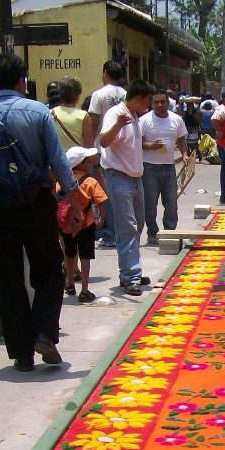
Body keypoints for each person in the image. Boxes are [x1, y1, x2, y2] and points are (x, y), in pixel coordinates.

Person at [0, 53, 83, 371]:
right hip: (37, 202)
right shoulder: (38, 111)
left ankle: (21, 353)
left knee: (7, 277)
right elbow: (58, 159)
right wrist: (75, 200)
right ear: (21, 80)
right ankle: (43, 332)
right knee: (50, 271)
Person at [100, 79, 152, 295]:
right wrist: (118, 125)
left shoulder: (134, 116)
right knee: (127, 226)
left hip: (135, 177)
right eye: (147, 101)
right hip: (118, 176)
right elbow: (103, 141)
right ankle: (131, 275)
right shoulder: (116, 114)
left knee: (138, 223)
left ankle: (130, 271)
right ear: (139, 98)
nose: (147, 107)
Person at [58, 146, 107, 304]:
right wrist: (101, 219)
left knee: (69, 253)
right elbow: (101, 201)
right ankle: (84, 290)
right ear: (81, 164)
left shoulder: (62, 181)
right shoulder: (90, 181)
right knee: (85, 256)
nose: (90, 163)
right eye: (88, 161)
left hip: (66, 225)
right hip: (86, 224)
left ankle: (70, 283)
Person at [139, 87, 188, 246]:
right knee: (150, 205)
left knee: (171, 203)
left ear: (168, 103)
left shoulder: (176, 119)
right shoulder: (144, 120)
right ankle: (152, 234)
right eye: (156, 102)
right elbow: (137, 142)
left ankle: (169, 232)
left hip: (169, 167)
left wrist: (185, 155)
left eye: (163, 102)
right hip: (149, 168)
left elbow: (181, 139)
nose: (160, 104)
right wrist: (150, 145)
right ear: (151, 103)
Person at [88, 61, 127, 250]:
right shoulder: (127, 95)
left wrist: (89, 146)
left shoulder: (98, 95)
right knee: (122, 195)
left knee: (103, 194)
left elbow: (94, 123)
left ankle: (110, 233)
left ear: (105, 73)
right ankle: (121, 232)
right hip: (124, 151)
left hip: (102, 149)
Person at [50, 76, 93, 152]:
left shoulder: (50, 113)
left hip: (58, 160)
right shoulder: (83, 116)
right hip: (78, 162)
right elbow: (89, 147)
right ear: (78, 96)